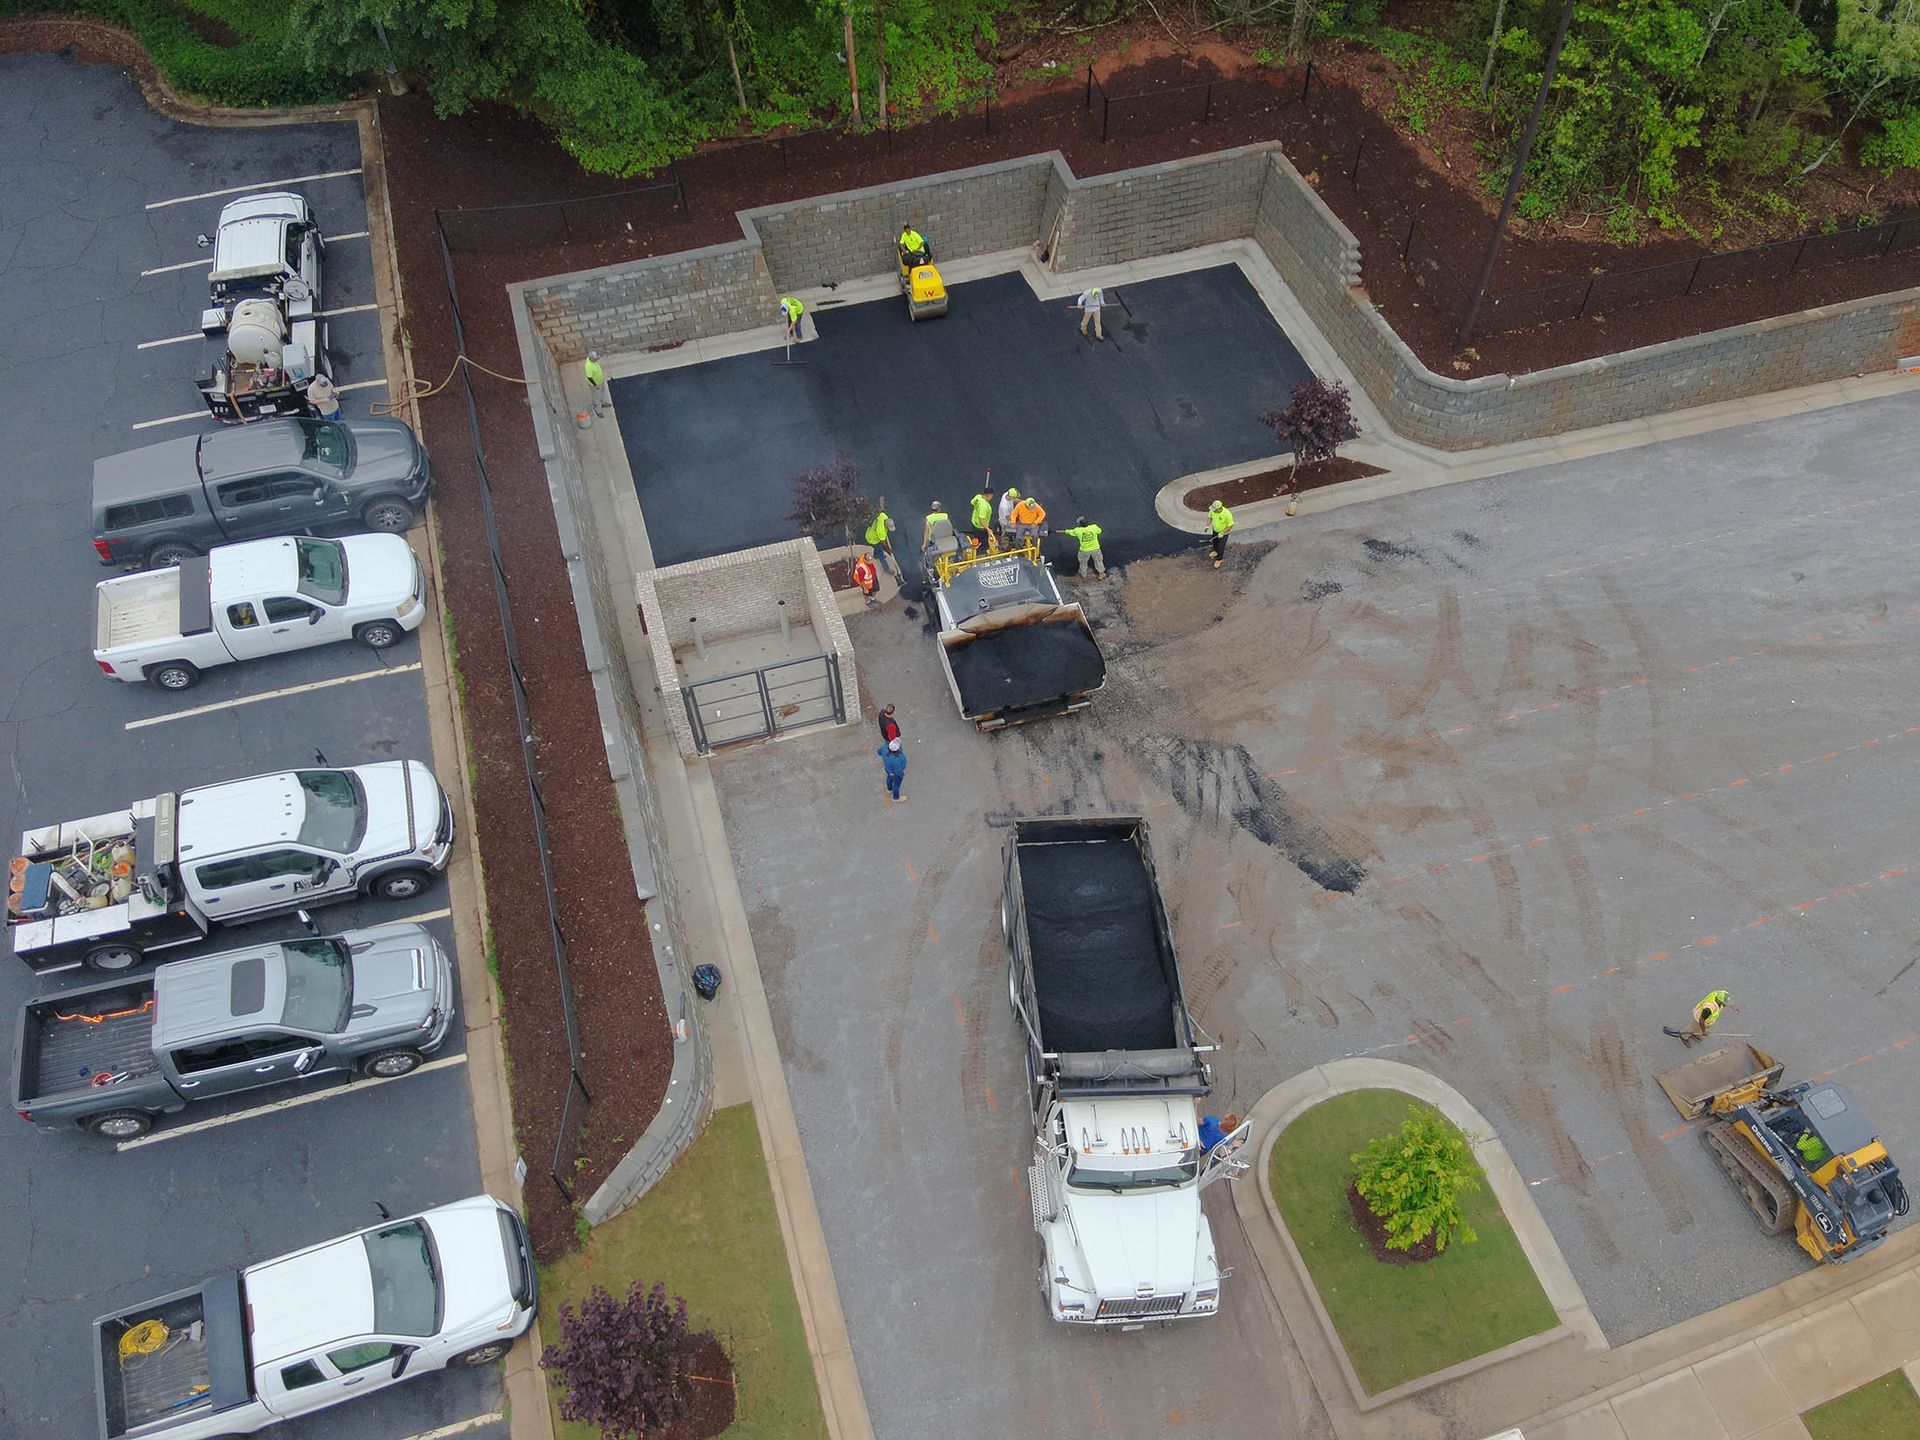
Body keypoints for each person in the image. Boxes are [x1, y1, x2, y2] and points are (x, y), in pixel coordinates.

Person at [1664, 989, 1736, 1047]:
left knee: (1697, 1029)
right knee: (1692, 1028)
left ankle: (1695, 1033)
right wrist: (1704, 1031)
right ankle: (1684, 1036)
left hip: (1706, 1020)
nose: (1726, 1005)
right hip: (1699, 1020)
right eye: (1725, 1004)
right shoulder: (1709, 1009)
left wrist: (1732, 1006)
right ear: (1720, 1001)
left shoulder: (1719, 993)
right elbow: (1701, 1021)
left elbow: (1726, 999)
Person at [864, 502, 897, 576]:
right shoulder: (881, 531)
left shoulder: (883, 516)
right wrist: (890, 551)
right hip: (873, 539)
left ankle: (876, 556)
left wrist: (881, 502)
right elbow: (884, 544)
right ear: (886, 526)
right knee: (881, 553)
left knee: (877, 550)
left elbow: (881, 512)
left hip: (870, 532)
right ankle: (886, 569)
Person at [878, 736, 908, 801]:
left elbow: (879, 752)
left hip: (888, 770)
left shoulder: (884, 748)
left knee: (889, 778)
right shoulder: (899, 758)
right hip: (896, 774)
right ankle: (896, 798)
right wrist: (900, 775)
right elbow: (901, 768)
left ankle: (889, 789)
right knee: (896, 785)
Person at [1207, 499, 1234, 569]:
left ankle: (1219, 559)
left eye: (1215, 509)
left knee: (1221, 546)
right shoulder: (1213, 511)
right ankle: (1215, 551)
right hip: (1215, 530)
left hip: (1223, 533)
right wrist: (1207, 525)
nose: (1213, 510)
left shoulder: (1227, 513)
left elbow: (1230, 525)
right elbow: (1209, 517)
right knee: (1215, 542)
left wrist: (1223, 532)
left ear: (1219, 508)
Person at [969, 487, 997, 555]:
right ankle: (981, 552)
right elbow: (981, 519)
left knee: (977, 537)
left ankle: (976, 547)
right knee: (984, 540)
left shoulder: (978, 497)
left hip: (974, 523)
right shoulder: (984, 506)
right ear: (989, 495)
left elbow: (972, 502)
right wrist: (988, 529)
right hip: (981, 527)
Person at [582, 350, 607, 415]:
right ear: (591, 359)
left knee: (603, 391)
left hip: (600, 380)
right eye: (595, 358)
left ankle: (602, 402)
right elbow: (589, 377)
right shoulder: (588, 366)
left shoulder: (591, 358)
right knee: (596, 396)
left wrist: (597, 357)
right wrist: (594, 385)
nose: (597, 359)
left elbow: (595, 357)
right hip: (595, 383)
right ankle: (598, 410)